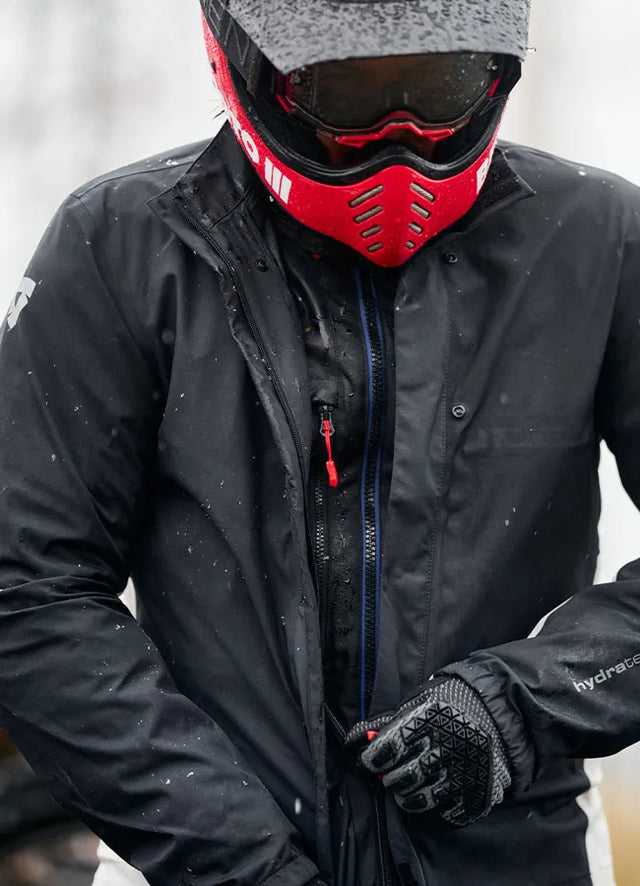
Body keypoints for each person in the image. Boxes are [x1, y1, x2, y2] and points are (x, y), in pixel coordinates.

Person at [0, 0, 638, 883]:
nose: (401, 140)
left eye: (438, 86)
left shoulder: (601, 239)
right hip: (195, 862)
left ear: (495, 68)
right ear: (248, 67)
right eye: (351, 94)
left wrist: (522, 708)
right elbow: (28, 591)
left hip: (525, 854)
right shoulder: (120, 248)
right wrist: (238, 860)